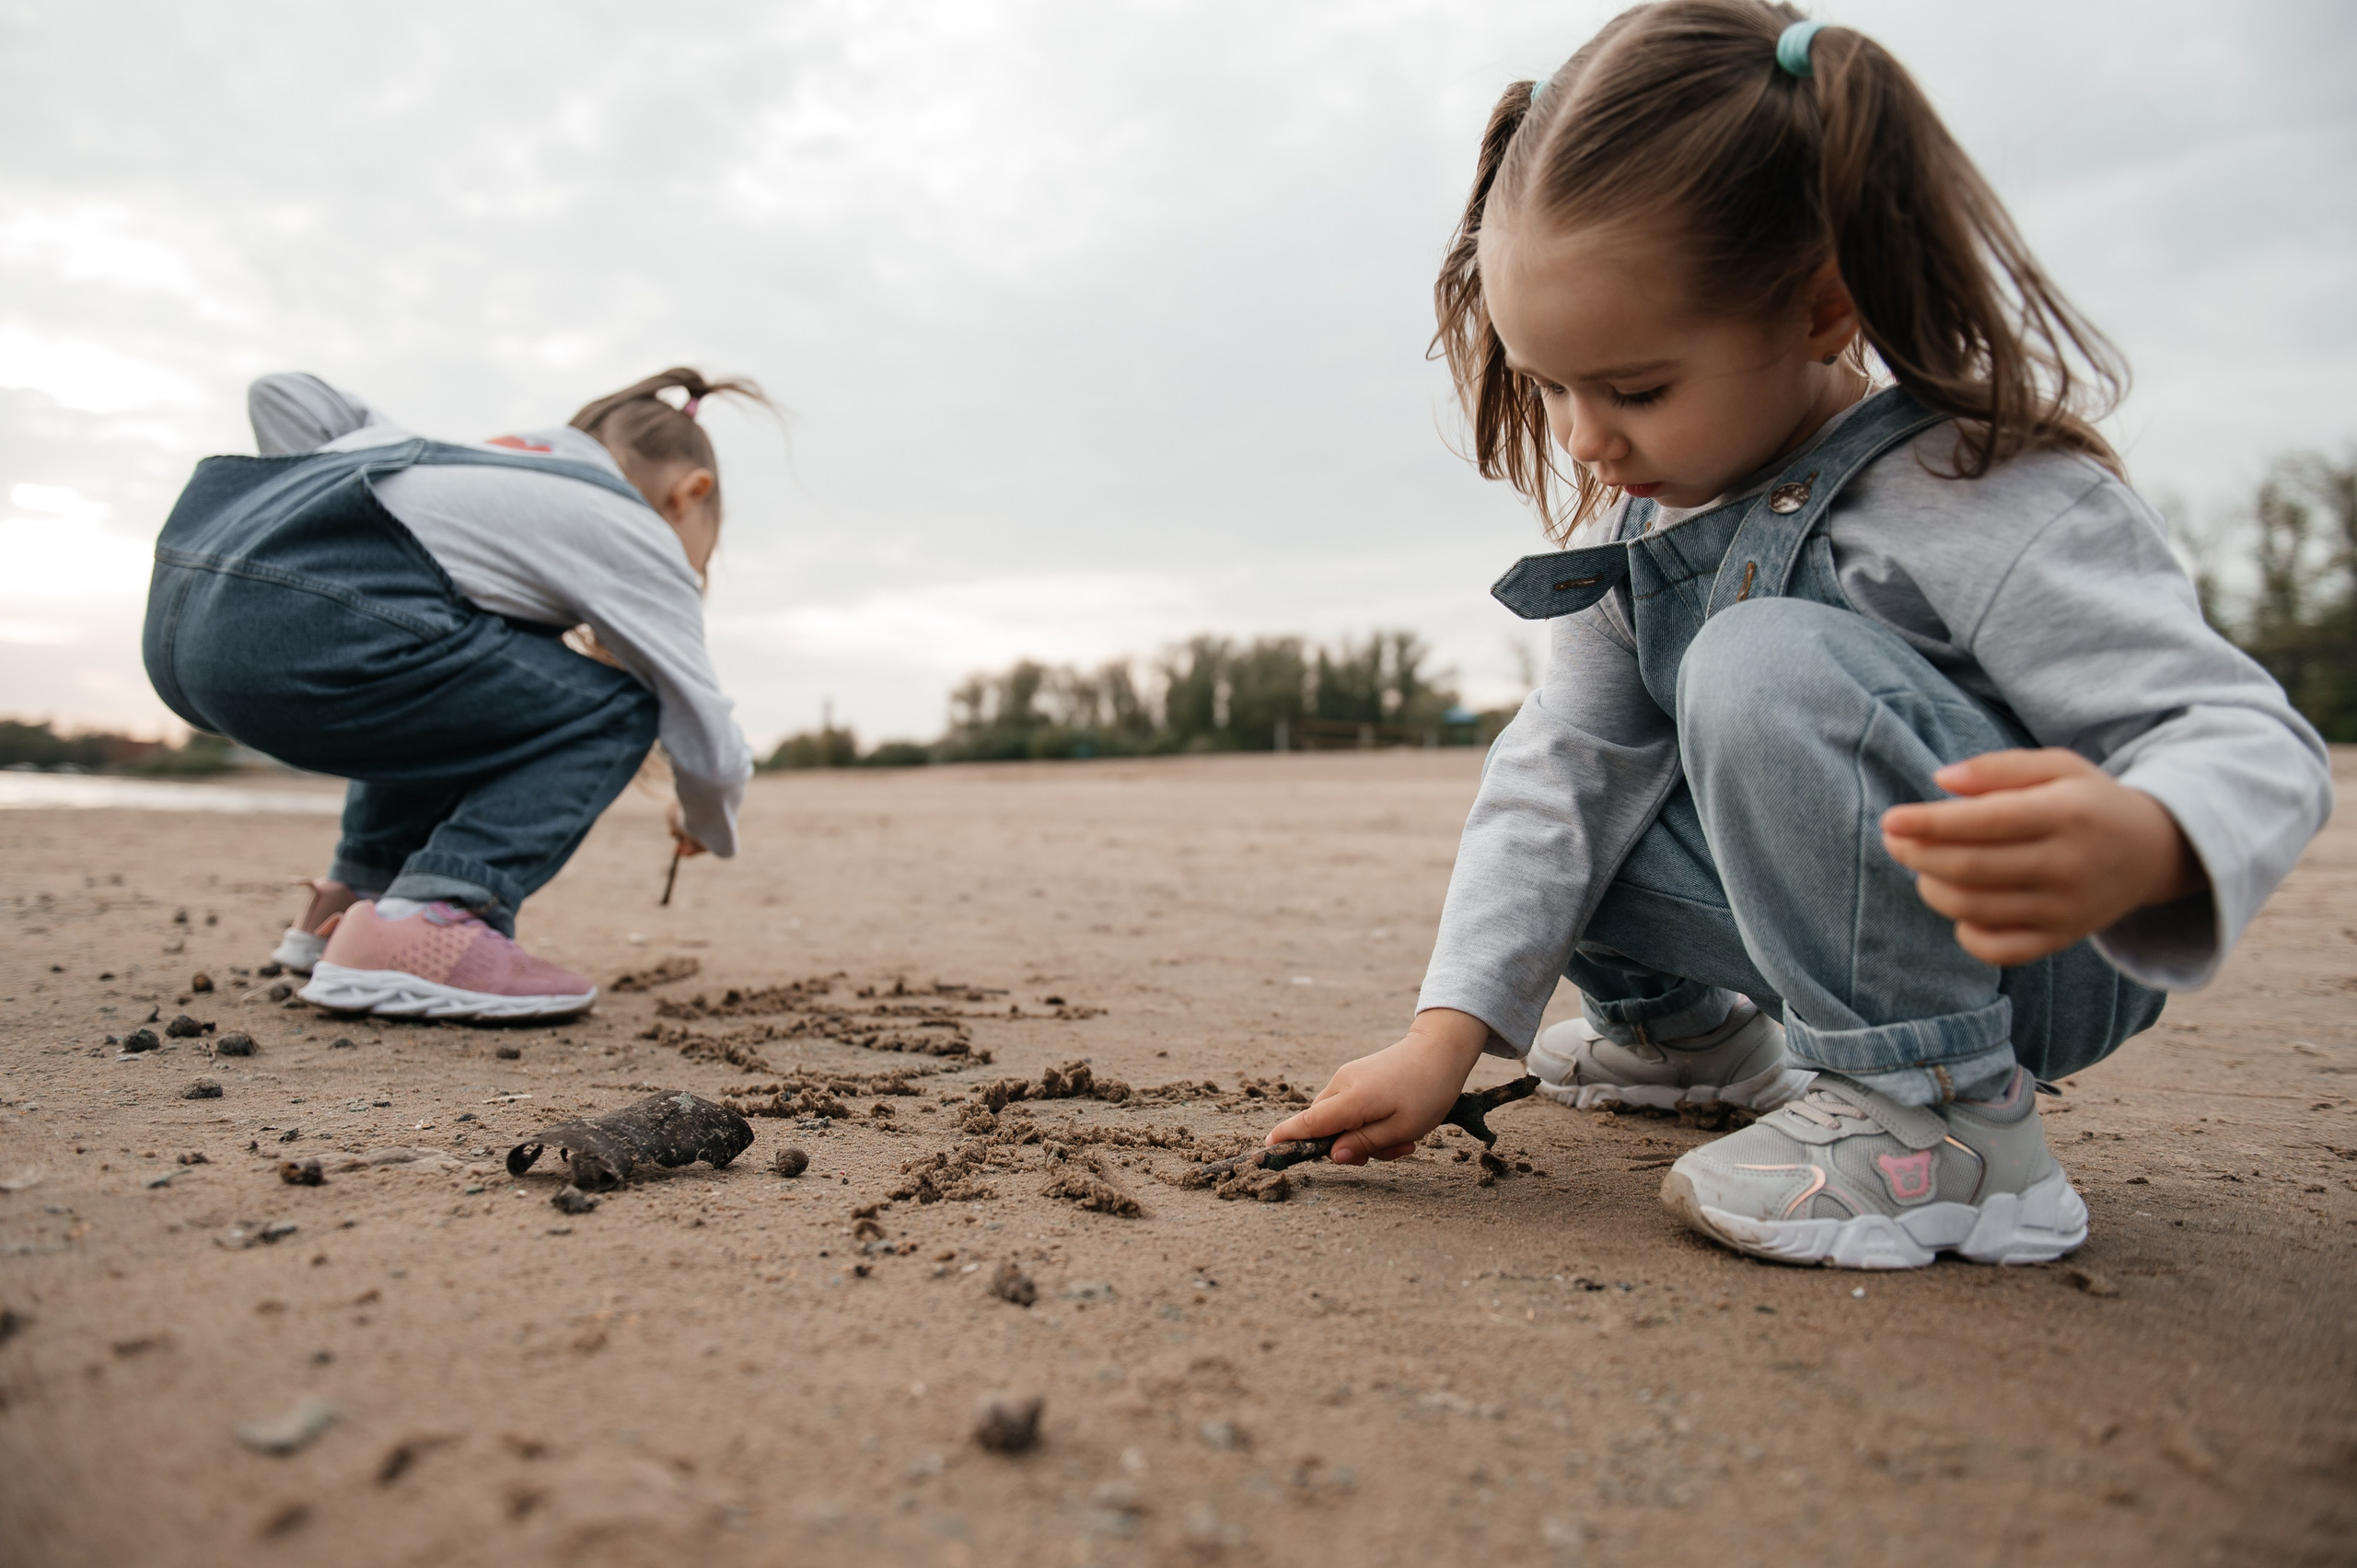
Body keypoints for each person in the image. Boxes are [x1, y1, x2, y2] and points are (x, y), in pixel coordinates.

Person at [1266, 2, 2332, 1270]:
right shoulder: (1641, 525)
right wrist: (1440, 1037)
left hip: (2028, 940)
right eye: (1548, 383)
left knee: (1749, 660)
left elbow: (2249, 737)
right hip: (1820, 936)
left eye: (1637, 387)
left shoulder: (1977, 490)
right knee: (1574, 779)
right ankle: (1686, 1038)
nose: (1584, 439)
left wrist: (2147, 836)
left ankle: (1944, 1126)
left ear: (1823, 308)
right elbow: (1567, 776)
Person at [143, 368, 762, 1020]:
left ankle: (360, 899)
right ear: (689, 495)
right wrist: (704, 821)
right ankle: (430, 919)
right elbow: (706, 733)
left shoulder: (439, 463)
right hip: (317, 636)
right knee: (621, 706)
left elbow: (280, 393)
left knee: (468, 689)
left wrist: (361, 452)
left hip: (183, 621)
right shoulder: (627, 521)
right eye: (701, 560)